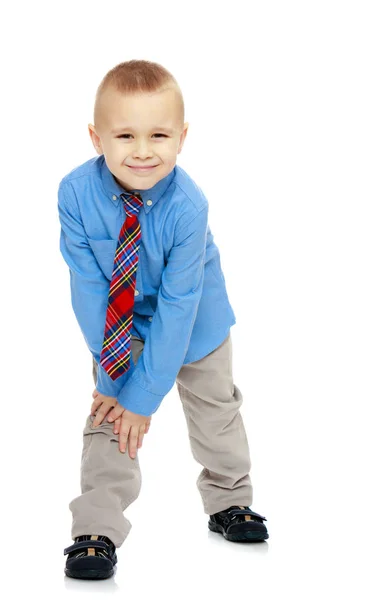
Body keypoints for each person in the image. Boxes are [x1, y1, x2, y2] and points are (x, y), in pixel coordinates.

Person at [58, 59, 269, 580]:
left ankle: (228, 499)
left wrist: (142, 398)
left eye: (159, 135)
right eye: (125, 135)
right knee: (110, 419)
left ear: (182, 137)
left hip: (195, 325)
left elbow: (180, 305)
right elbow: (87, 285)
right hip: (116, 327)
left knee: (216, 412)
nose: (143, 150)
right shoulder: (75, 194)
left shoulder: (188, 205)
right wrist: (116, 381)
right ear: (95, 137)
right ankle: (97, 528)